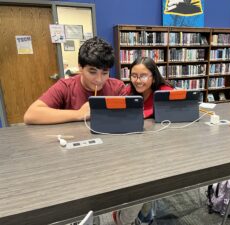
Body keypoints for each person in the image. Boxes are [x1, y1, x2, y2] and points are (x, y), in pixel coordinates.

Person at [113, 57, 173, 225]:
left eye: (143, 76)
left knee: (145, 184)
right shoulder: (127, 91)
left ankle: (127, 219)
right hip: (132, 148)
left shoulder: (164, 92)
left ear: (153, 76)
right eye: (133, 75)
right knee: (142, 184)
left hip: (159, 149)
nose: (138, 81)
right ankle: (136, 218)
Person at [24, 37, 127, 124]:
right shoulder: (65, 86)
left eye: (105, 73)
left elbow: (129, 116)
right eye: (92, 72)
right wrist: (79, 114)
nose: (99, 80)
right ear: (80, 68)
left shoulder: (117, 87)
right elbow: (31, 115)